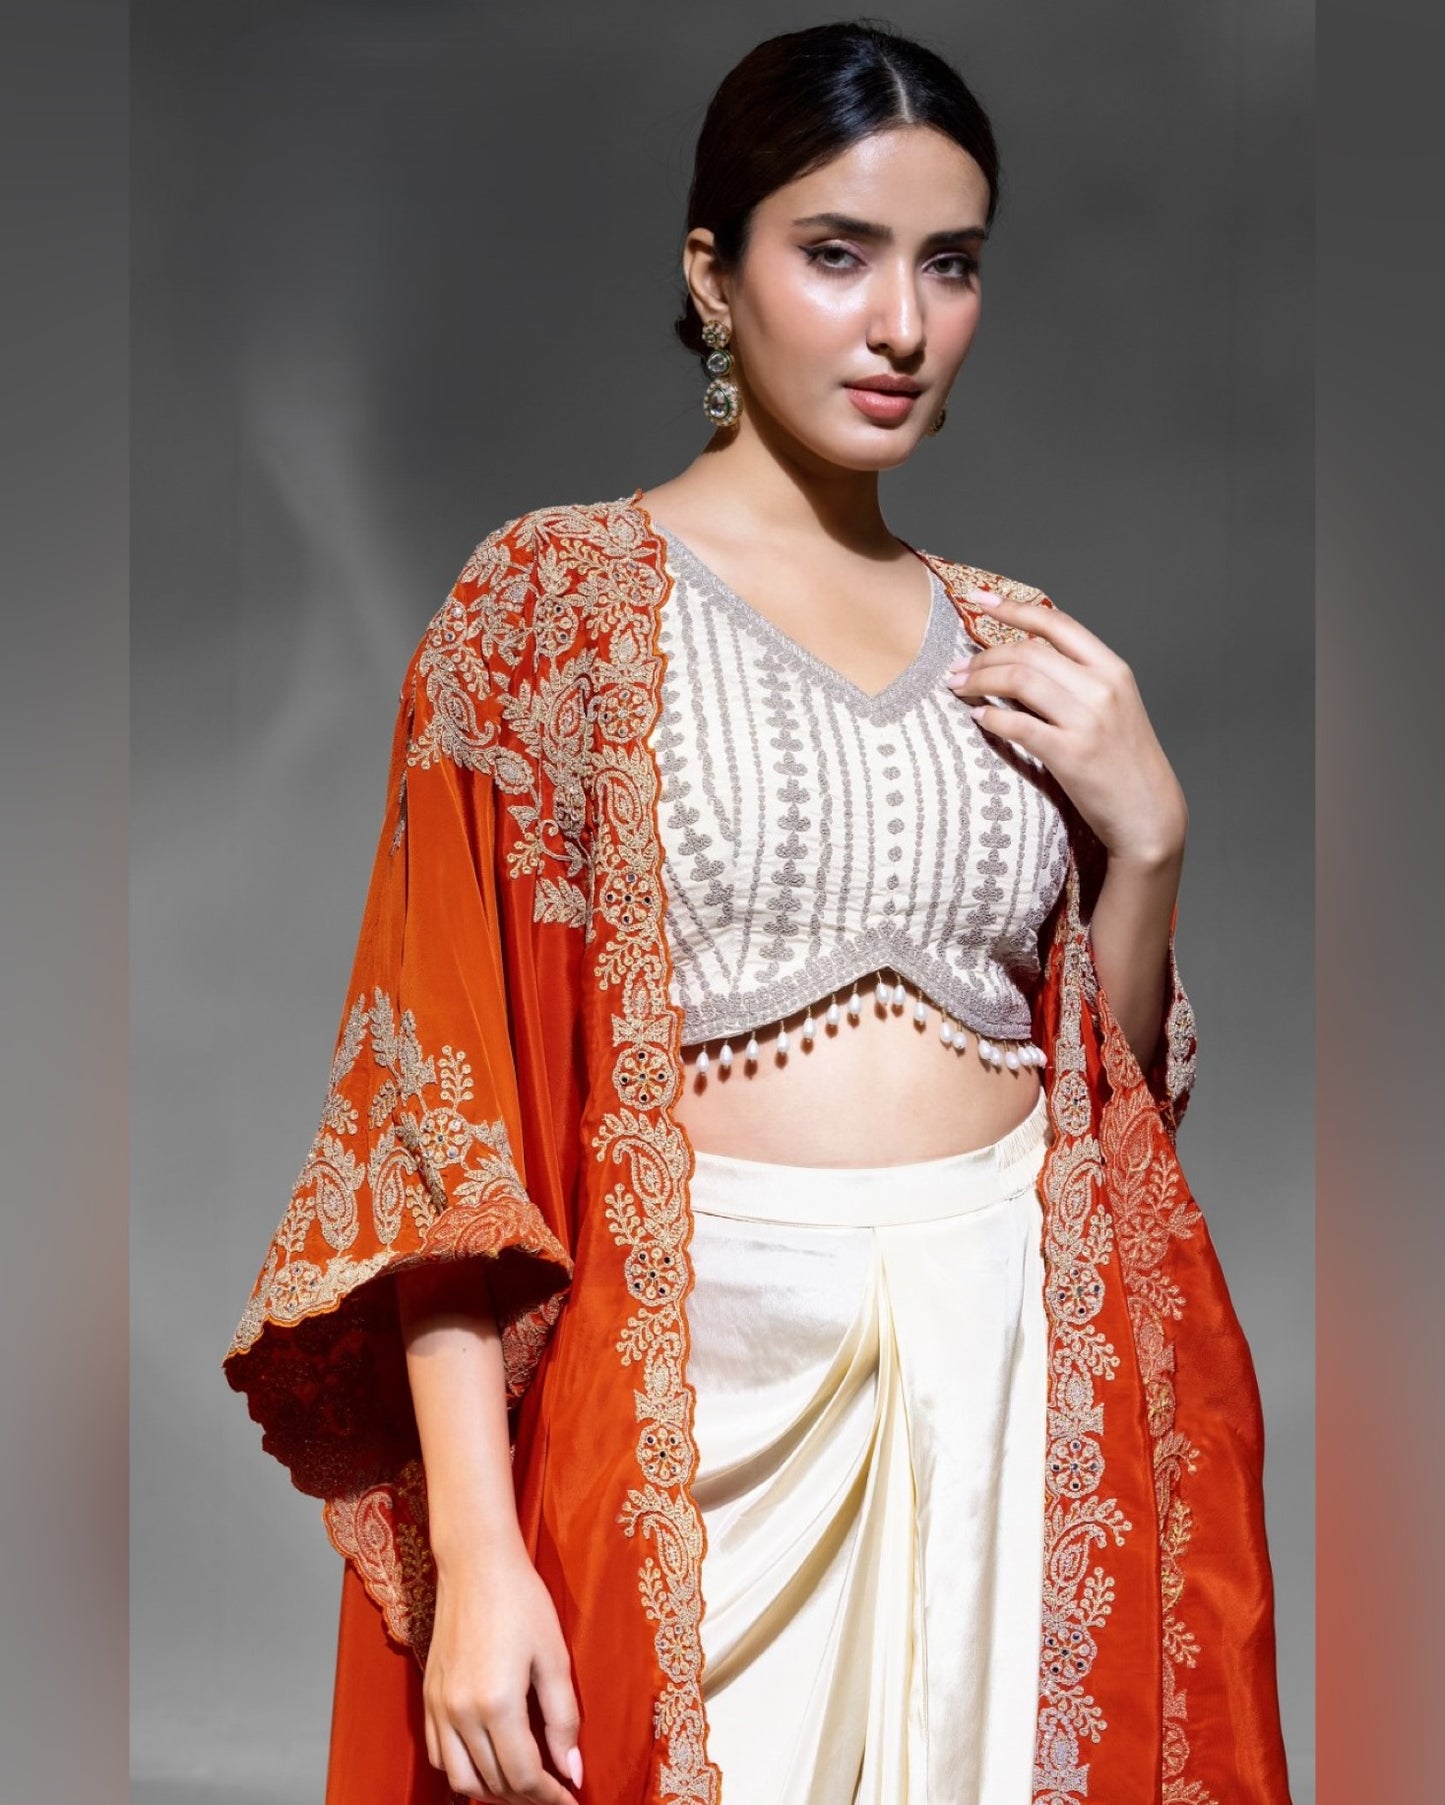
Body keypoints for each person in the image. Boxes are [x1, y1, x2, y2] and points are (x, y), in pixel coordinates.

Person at [223, 22, 1292, 1805]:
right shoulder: (546, 609)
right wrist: (479, 1559)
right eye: (836, 253)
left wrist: (1152, 843)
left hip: (1007, 1372)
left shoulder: (1019, 641)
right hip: (700, 1383)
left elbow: (1113, 1143)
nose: (899, 324)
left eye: (948, 266)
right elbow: (439, 1124)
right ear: (711, 276)